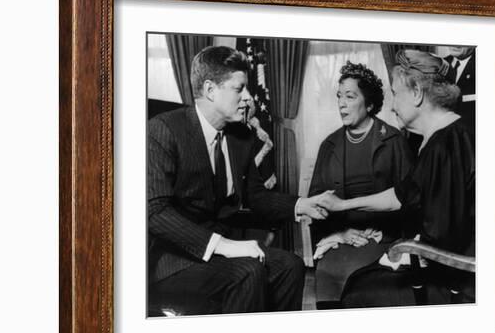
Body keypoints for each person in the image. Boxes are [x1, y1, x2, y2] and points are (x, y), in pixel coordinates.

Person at [147, 45, 329, 315]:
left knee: (291, 265)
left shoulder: (240, 136)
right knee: (248, 271)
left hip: (219, 249)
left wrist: (301, 205)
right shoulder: (163, 131)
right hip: (174, 259)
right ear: (210, 90)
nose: (248, 98)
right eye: (239, 88)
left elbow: (255, 195)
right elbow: (155, 212)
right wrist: (224, 245)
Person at [318, 49, 475, 307]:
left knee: (360, 291)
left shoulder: (445, 146)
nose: (391, 106)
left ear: (416, 93)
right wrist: (343, 204)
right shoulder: (447, 135)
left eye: (395, 94)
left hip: (457, 284)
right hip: (449, 271)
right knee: (359, 280)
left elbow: (441, 237)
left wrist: (397, 253)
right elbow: (401, 195)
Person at [308, 61, 413, 307]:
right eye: (339, 96)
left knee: (365, 280)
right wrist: (340, 234)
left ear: (370, 104)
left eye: (350, 96)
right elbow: (316, 202)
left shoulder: (395, 141)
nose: (341, 103)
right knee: (327, 274)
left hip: (383, 238)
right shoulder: (329, 145)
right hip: (342, 237)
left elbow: (410, 201)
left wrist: (386, 235)